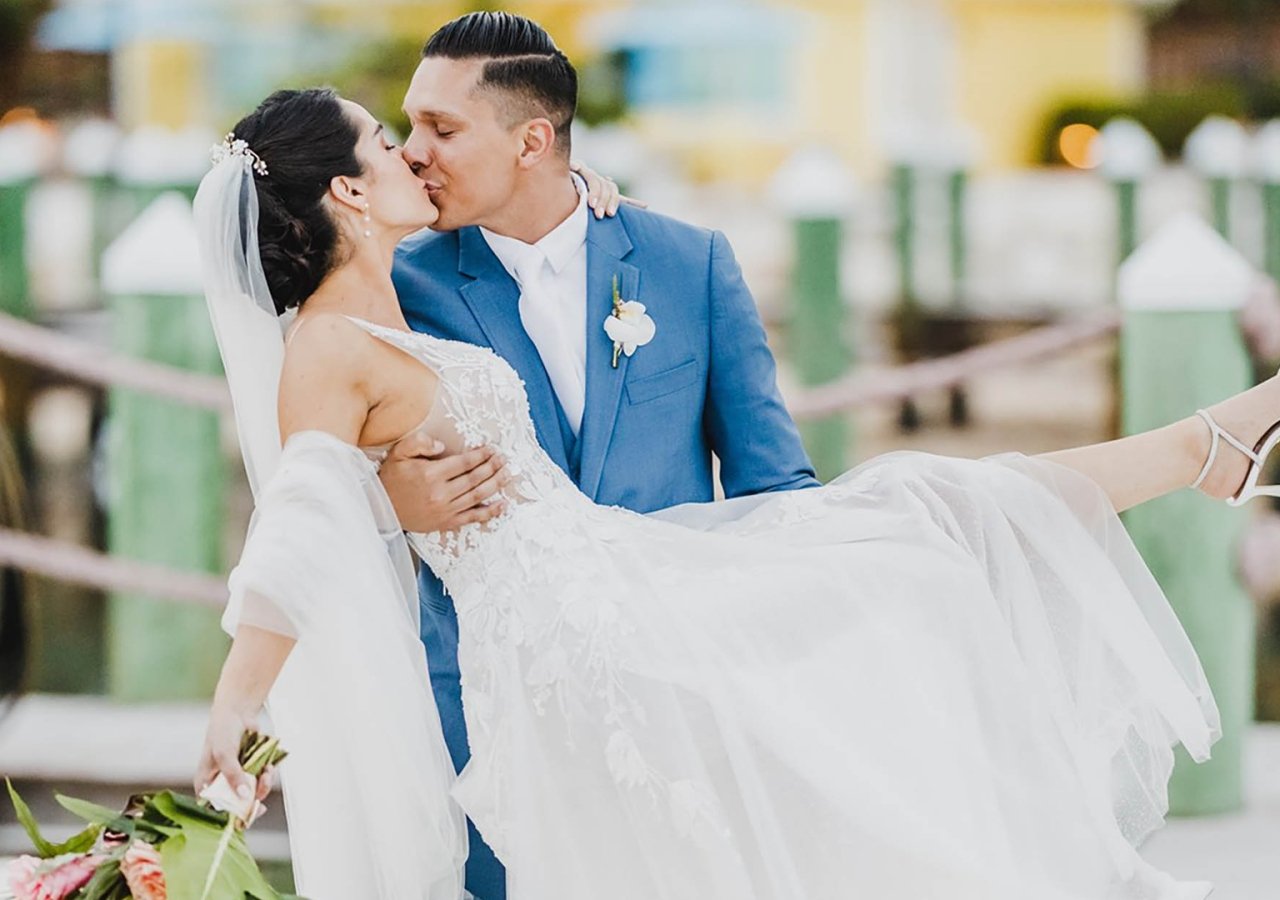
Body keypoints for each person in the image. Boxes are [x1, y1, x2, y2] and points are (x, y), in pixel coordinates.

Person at [192, 53, 1278, 900]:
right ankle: (1205, 447)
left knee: (921, 517)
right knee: (913, 540)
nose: (411, 156)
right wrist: (238, 701)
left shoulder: (392, 299)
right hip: (573, 634)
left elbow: (407, 422)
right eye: (390, 142)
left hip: (614, 576)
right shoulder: (326, 348)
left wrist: (568, 192)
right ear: (346, 187)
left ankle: (1204, 448)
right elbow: (303, 519)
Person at [373, 14, 819, 895]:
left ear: (534, 140)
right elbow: (317, 477)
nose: (414, 150)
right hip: (486, 718)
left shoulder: (687, 263)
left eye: (444, 129)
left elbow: (776, 487)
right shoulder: (392, 285)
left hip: (677, 705)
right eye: (411, 124)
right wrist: (393, 502)